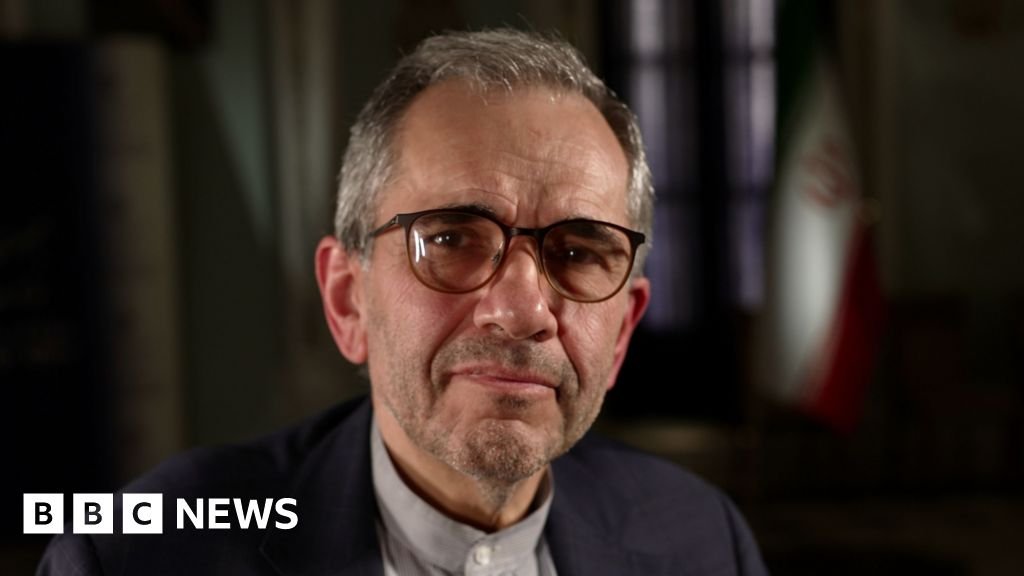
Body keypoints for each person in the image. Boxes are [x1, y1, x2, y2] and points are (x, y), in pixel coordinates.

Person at [38, 29, 768, 575]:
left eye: (578, 254)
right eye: (451, 239)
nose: (522, 311)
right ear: (347, 300)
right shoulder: (130, 555)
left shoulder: (703, 540)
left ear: (622, 333)